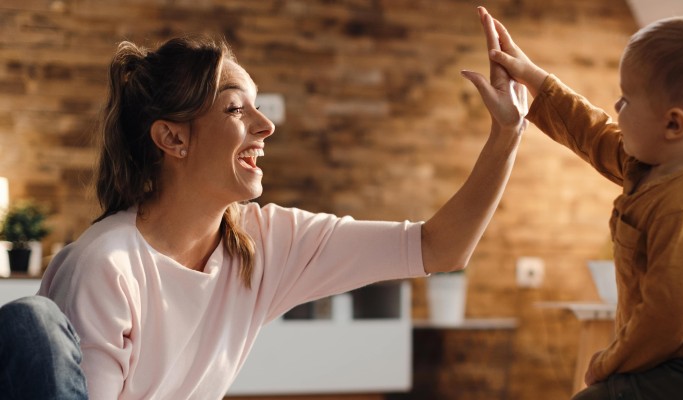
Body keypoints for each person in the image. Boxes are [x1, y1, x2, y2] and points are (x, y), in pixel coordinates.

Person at [2, 19, 528, 400]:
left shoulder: (264, 241)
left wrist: (506, 136)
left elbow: (438, 246)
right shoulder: (108, 265)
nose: (265, 125)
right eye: (236, 108)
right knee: (31, 323)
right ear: (173, 138)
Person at [476, 6, 683, 400]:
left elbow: (666, 319)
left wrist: (607, 363)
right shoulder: (654, 164)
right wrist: (532, 76)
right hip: (682, 358)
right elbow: (593, 133)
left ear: (673, 124)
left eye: (627, 100)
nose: (617, 109)